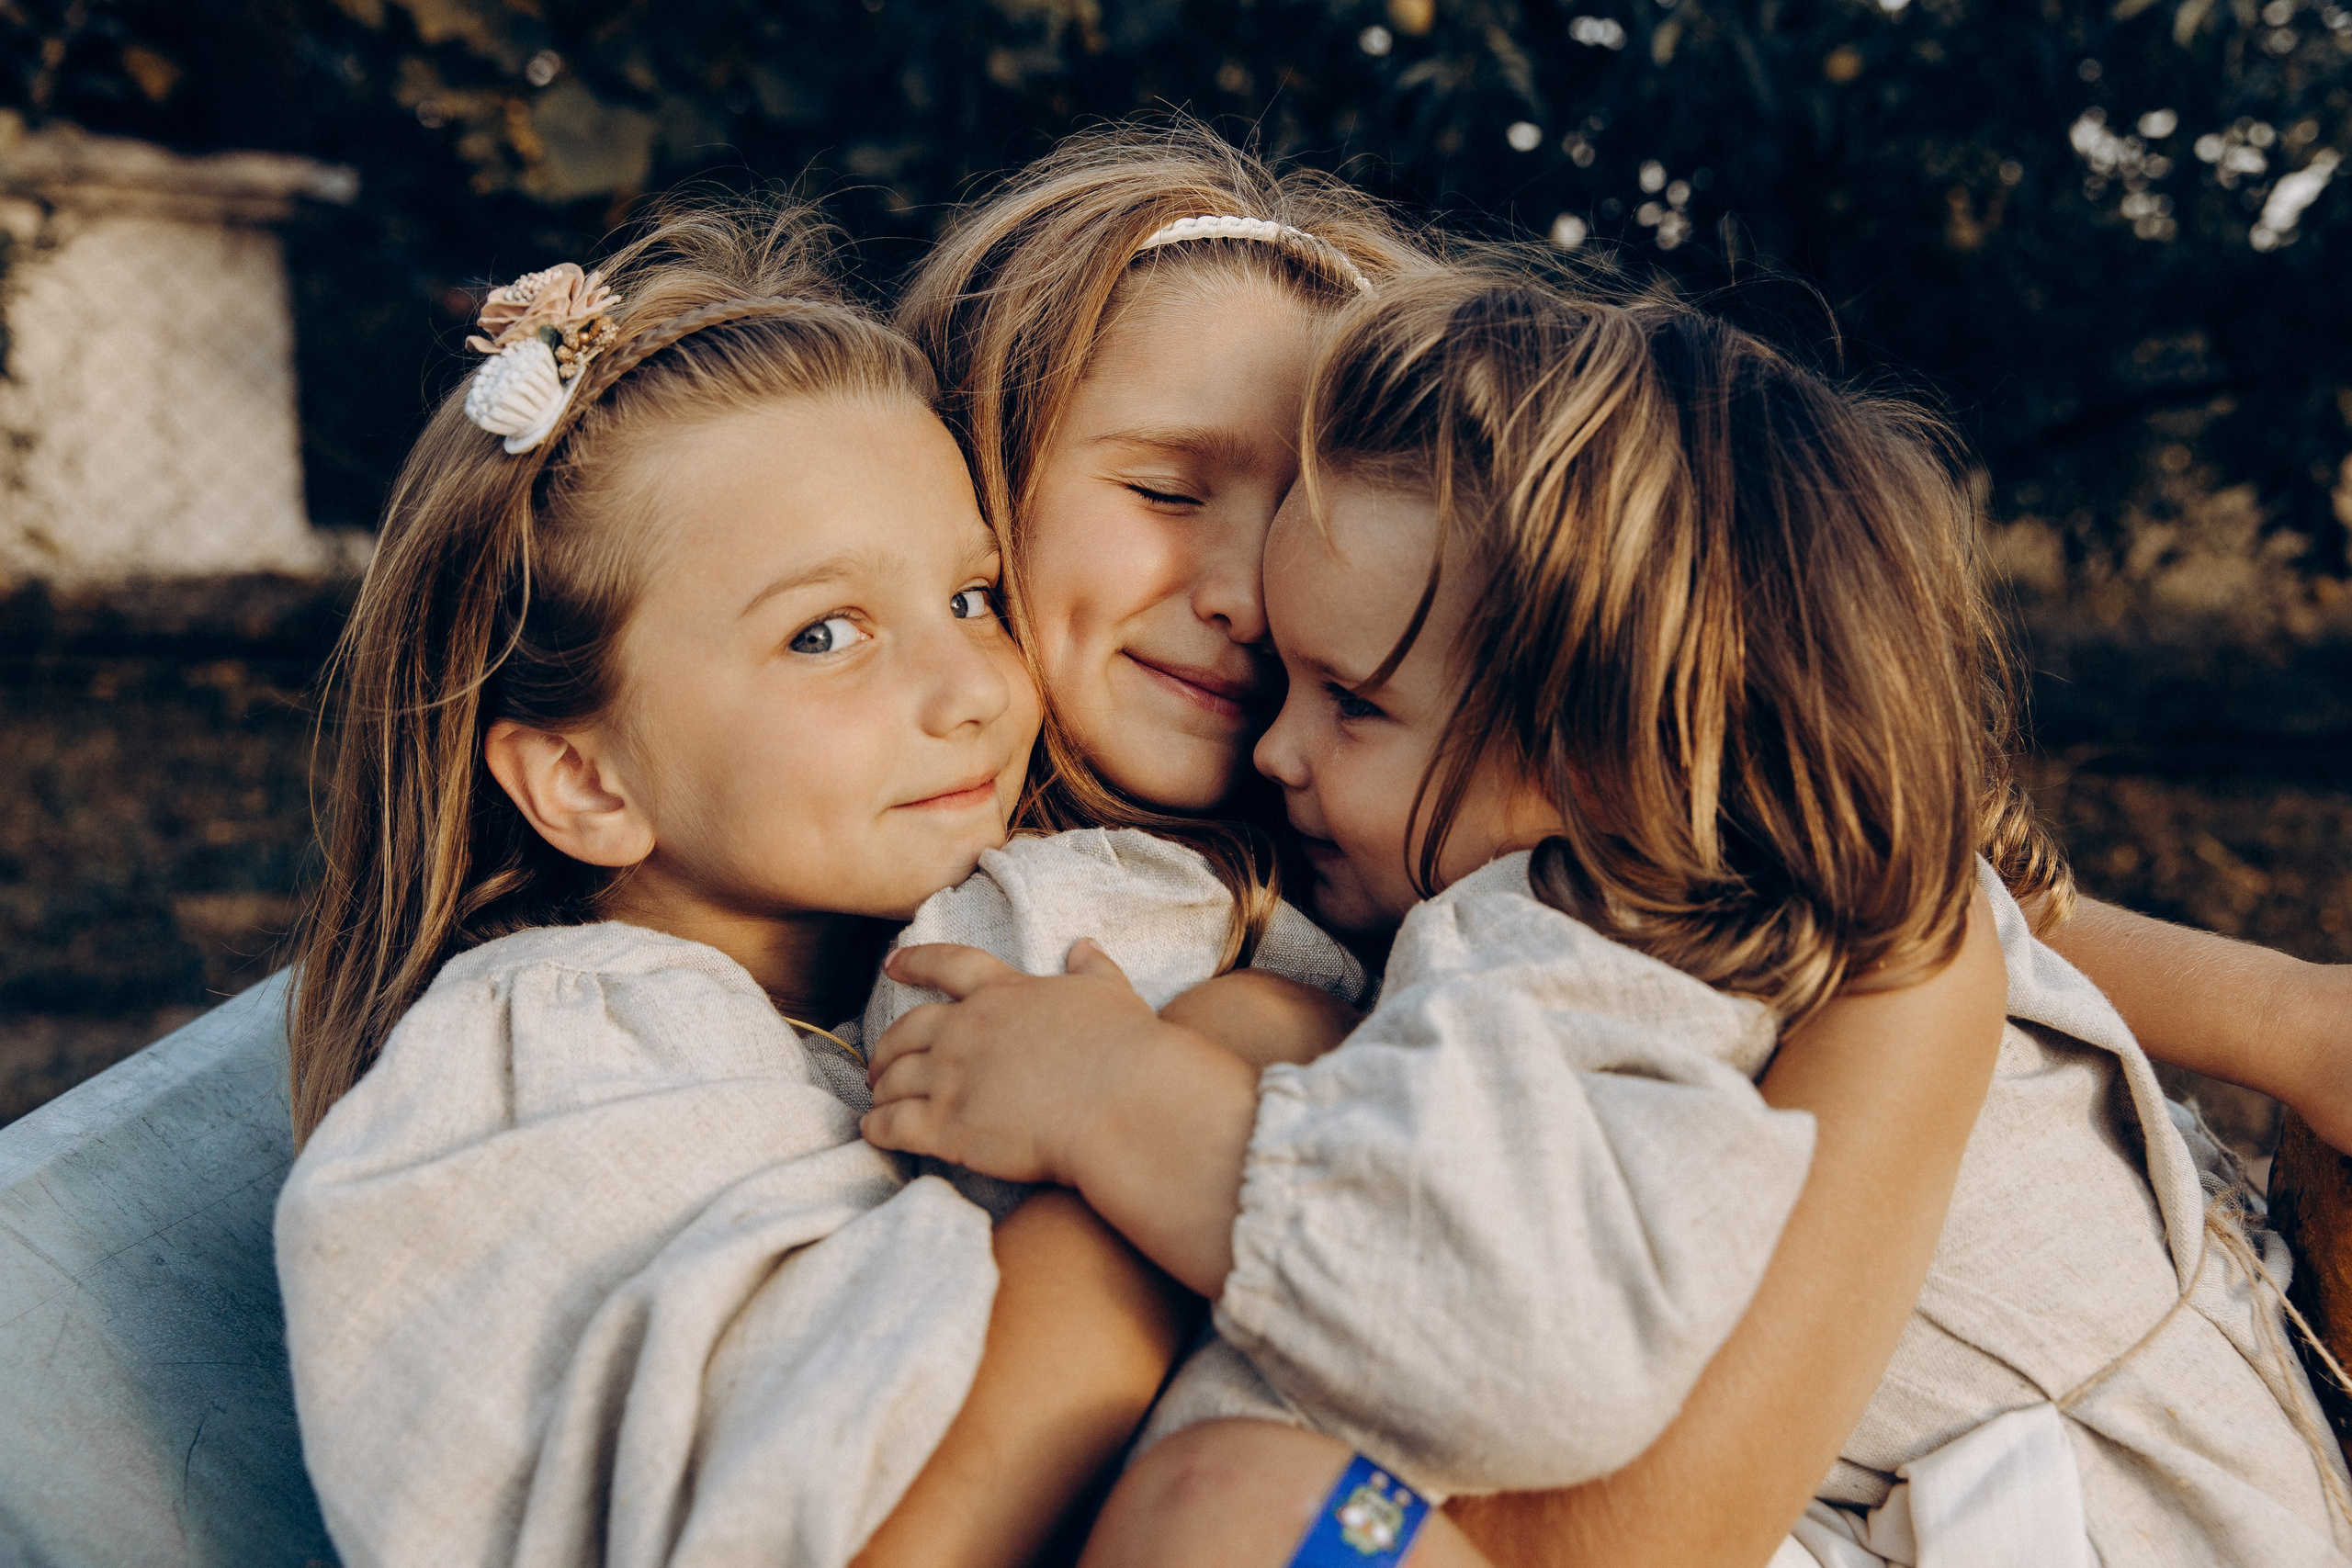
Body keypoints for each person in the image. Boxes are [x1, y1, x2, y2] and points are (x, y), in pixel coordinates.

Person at [861, 268, 2352, 1566]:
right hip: (2127, 1489)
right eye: (1170, 489)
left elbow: (1528, 1350)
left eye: (1353, 702)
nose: (1277, 740)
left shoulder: (1597, 929)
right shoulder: (1624, 861)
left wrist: (1124, 1104)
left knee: (1246, 1510)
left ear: (1596, 737)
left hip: (2064, 1527)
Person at [271, 202, 1209, 1568]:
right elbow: (814, 1479)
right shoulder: (556, 1060)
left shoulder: (920, 952)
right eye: (824, 634)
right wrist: (1167, 1139)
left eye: (970, 598)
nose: (971, 689)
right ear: (585, 780)